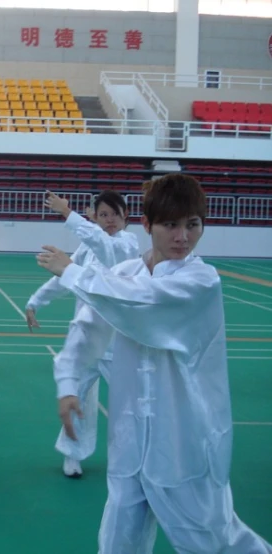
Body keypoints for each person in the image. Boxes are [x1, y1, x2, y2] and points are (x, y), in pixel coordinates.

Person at [37, 174, 272, 553]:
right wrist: (68, 383)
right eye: (171, 225)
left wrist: (73, 272)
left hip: (184, 441)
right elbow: (88, 328)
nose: (182, 237)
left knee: (215, 541)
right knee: (118, 541)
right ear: (148, 225)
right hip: (130, 439)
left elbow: (141, 303)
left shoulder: (200, 281)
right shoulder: (125, 274)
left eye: (192, 225)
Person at [27, 189, 139, 478]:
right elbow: (63, 277)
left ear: (126, 217)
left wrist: (67, 213)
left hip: (120, 341)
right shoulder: (87, 248)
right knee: (76, 396)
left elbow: (106, 246)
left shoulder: (128, 244)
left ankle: (138, 455)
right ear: (94, 216)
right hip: (87, 340)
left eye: (115, 214)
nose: (110, 220)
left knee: (132, 402)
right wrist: (35, 301)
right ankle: (73, 454)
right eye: (103, 214)